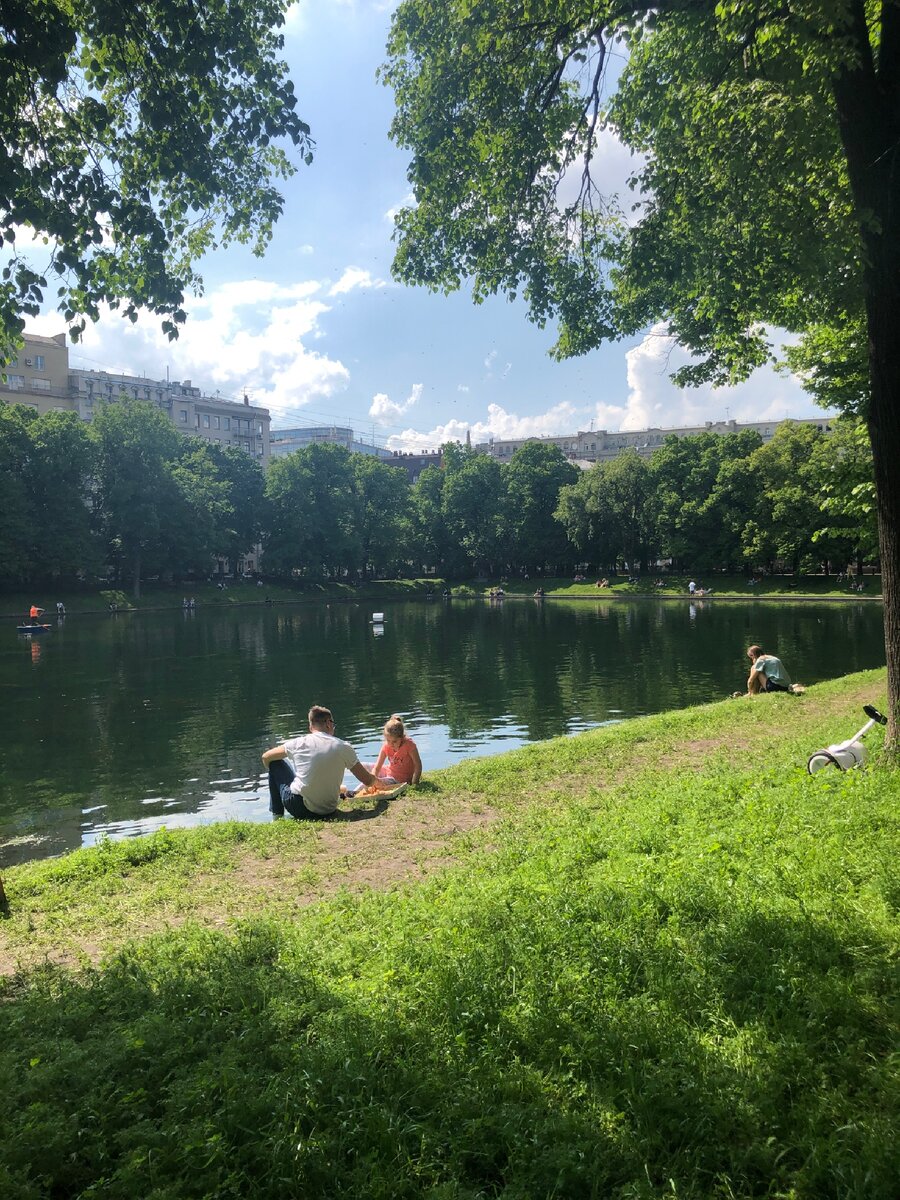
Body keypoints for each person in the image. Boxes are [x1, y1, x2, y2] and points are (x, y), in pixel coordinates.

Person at [261, 705, 391, 819]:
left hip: (299, 808)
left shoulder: (298, 742)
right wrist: (377, 782)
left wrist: (272, 773)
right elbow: (367, 780)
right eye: (333, 725)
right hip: (329, 809)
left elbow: (266, 757)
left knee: (275, 763)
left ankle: (277, 817)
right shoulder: (343, 746)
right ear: (329, 723)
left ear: (311, 726)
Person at [370, 714, 422, 786]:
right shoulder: (386, 746)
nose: (391, 744)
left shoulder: (409, 745)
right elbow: (377, 768)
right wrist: (373, 778)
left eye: (394, 741)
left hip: (400, 780)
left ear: (402, 737)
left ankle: (355, 794)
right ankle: (362, 789)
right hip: (389, 773)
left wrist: (414, 782)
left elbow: (418, 765)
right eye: (388, 740)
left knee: (379, 782)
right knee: (362, 767)